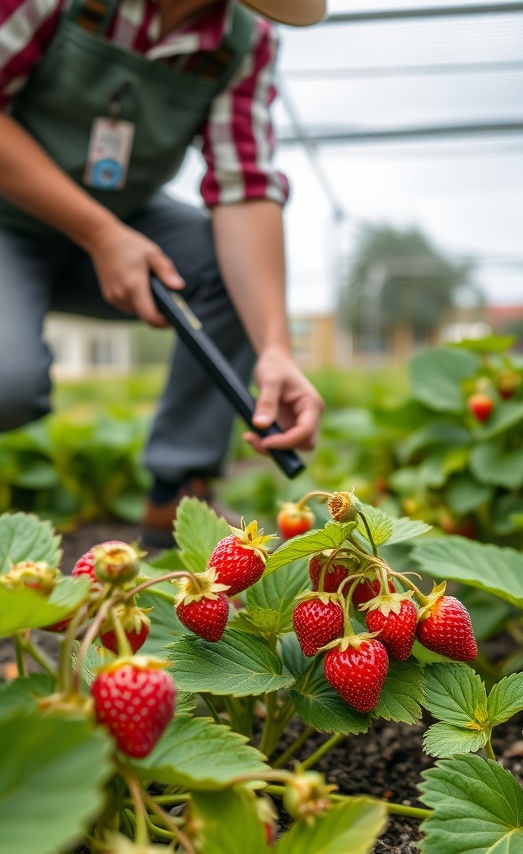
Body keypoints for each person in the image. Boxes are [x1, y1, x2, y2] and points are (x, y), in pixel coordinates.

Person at [0, 0, 326, 546]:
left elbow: (245, 187)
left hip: (122, 224)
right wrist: (100, 234)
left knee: (223, 264)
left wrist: (275, 347)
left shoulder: (243, 42)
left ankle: (178, 491)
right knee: (10, 383)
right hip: (14, 220)